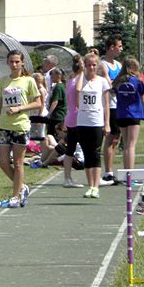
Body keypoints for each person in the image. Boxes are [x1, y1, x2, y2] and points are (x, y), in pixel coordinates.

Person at [0, 50, 41, 207]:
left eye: (16, 62)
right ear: (7, 63)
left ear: (22, 63)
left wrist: (20, 108)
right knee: (3, 163)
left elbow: (38, 103)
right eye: (11, 62)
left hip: (20, 125)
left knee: (19, 163)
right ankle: (22, 187)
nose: (14, 65)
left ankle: (15, 196)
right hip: (3, 126)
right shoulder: (3, 81)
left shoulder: (28, 81)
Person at [74, 51, 110, 198]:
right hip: (82, 121)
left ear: (98, 66)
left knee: (95, 153)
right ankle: (90, 185)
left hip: (96, 121)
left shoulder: (102, 82)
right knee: (86, 153)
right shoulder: (81, 80)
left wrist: (107, 123)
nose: (91, 68)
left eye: (94, 65)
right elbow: (77, 91)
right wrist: (82, 71)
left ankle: (96, 186)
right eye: (89, 65)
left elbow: (106, 104)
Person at [112, 56, 144, 173]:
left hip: (121, 114)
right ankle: (130, 174)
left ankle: (126, 172)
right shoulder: (137, 81)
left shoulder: (118, 81)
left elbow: (114, 92)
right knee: (131, 145)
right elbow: (143, 97)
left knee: (126, 144)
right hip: (134, 114)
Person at [98, 35, 123, 183]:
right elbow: (111, 86)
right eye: (119, 46)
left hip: (119, 105)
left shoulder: (119, 65)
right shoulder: (103, 65)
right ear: (111, 47)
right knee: (110, 139)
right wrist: (117, 85)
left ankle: (110, 170)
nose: (121, 49)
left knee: (116, 140)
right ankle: (108, 171)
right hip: (109, 105)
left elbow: (123, 81)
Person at [63, 54, 85, 188]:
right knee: (88, 148)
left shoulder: (70, 80)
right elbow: (78, 90)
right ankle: (93, 176)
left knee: (70, 150)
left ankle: (67, 178)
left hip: (70, 117)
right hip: (77, 117)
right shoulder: (78, 78)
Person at [46, 68, 66, 138]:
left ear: (58, 76)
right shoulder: (62, 85)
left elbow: (55, 101)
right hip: (61, 115)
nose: (51, 78)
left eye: (52, 76)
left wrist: (49, 113)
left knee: (51, 135)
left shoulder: (58, 87)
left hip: (56, 115)